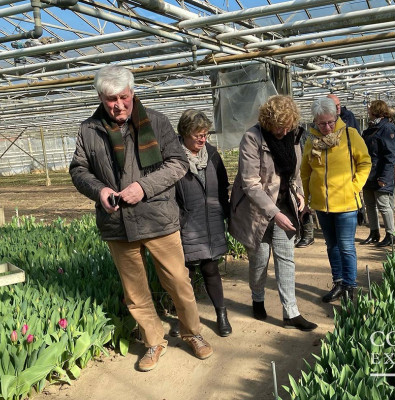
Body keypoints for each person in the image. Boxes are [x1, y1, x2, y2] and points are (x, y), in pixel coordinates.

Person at [70, 65, 212, 372]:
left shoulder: (157, 123)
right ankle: (153, 341)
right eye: (111, 99)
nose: (118, 104)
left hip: (158, 218)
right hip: (116, 223)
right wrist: (100, 191)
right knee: (134, 291)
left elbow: (177, 164)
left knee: (178, 281)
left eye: (123, 96)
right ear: (100, 97)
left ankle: (192, 332)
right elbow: (78, 170)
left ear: (132, 92)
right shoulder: (88, 129)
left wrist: (143, 188)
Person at [229, 95, 317, 332]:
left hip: (284, 206)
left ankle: (291, 313)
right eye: (280, 125)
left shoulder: (294, 137)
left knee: (285, 259)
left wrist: (299, 193)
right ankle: (257, 298)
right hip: (256, 211)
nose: (284, 130)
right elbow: (250, 183)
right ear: (268, 122)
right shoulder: (252, 138)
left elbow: (294, 174)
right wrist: (274, 213)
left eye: (288, 125)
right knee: (259, 261)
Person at [300, 97, 371, 303]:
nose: (327, 127)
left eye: (331, 121)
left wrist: (354, 186)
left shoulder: (350, 135)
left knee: (346, 246)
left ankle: (350, 286)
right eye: (322, 123)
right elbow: (305, 172)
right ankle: (338, 282)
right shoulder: (311, 141)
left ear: (336, 117)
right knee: (331, 246)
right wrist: (305, 199)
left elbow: (365, 162)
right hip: (322, 204)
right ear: (315, 121)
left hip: (346, 202)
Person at [174, 110, 232, 337]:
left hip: (211, 222)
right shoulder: (174, 158)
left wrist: (227, 215)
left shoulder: (213, 155)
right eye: (198, 134)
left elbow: (224, 185)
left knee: (210, 269)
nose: (202, 139)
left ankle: (221, 315)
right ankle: (186, 320)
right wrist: (177, 220)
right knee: (182, 275)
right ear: (185, 133)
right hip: (185, 223)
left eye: (205, 134)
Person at [360, 100, 395, 247]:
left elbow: (390, 155)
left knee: (383, 205)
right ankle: (374, 232)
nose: (368, 111)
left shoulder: (387, 128)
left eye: (370, 109)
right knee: (369, 204)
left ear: (375, 111)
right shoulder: (371, 128)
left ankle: (391, 234)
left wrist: (384, 177)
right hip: (368, 173)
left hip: (381, 173)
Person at [294, 126, 315, 248]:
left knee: (303, 203)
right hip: (295, 173)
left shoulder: (302, 134)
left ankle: (308, 235)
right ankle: (302, 234)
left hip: (303, 173)